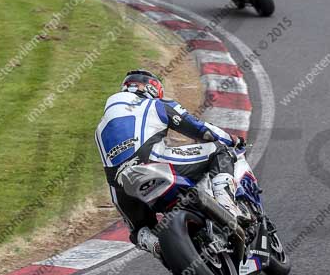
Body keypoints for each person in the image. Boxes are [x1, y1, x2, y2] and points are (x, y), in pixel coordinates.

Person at [95, 69, 246, 258]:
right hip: (155, 164)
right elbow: (200, 129)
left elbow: (109, 170)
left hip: (122, 189)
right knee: (219, 150)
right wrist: (232, 139)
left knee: (139, 229)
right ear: (151, 88)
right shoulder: (155, 104)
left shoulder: (100, 130)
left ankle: (155, 245)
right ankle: (227, 205)